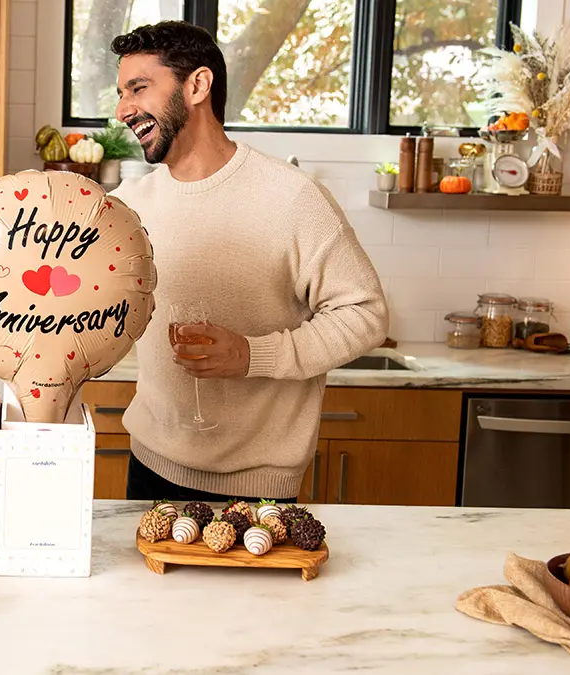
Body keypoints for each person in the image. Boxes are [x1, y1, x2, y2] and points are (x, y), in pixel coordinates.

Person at [108, 21, 389, 504]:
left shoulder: (292, 197)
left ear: (197, 85)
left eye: (138, 88)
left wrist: (251, 355)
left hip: (256, 489)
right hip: (150, 467)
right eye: (120, 93)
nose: (122, 110)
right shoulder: (127, 205)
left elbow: (365, 316)